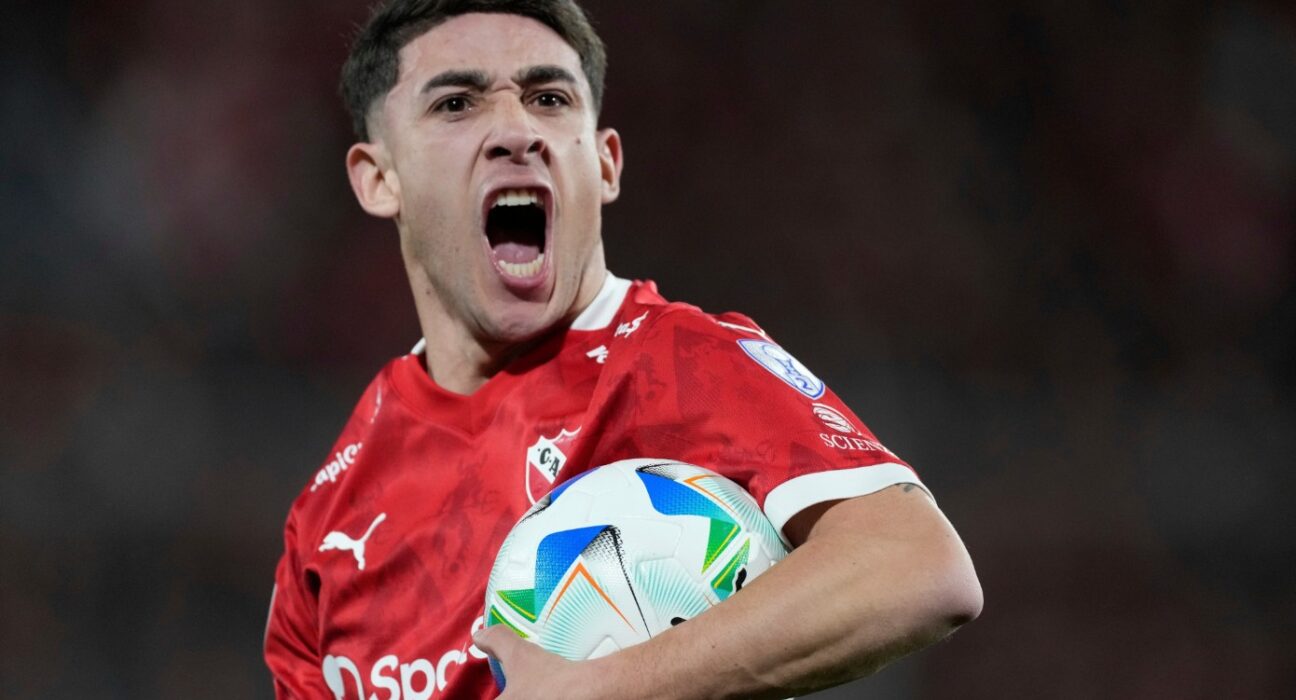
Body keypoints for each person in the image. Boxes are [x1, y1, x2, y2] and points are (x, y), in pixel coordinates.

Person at [264, 1, 983, 697]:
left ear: (606, 163)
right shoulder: (329, 518)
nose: (516, 130)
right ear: (378, 178)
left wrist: (604, 688)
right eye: (457, 104)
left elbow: (917, 567)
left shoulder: (678, 363)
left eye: (549, 99)